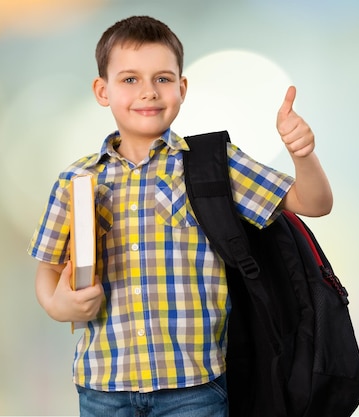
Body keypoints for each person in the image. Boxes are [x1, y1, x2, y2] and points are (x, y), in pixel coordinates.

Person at [27, 15, 332, 417]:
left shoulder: (212, 165)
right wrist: (60, 306)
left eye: (163, 79)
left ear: (182, 88)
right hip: (102, 386)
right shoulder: (77, 179)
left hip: (193, 388)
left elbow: (313, 203)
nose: (148, 92)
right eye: (130, 79)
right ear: (103, 90)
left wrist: (302, 154)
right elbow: (47, 273)